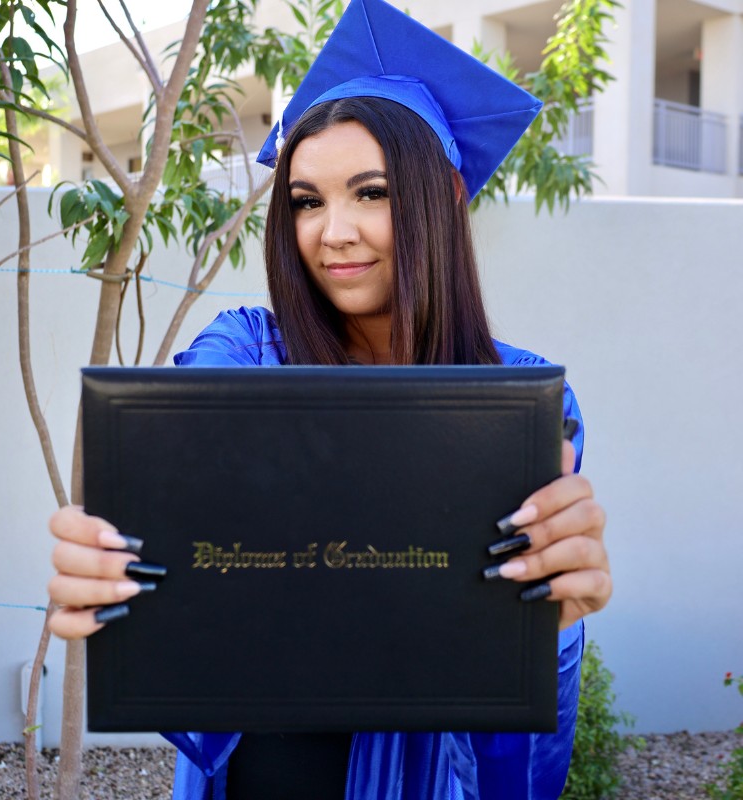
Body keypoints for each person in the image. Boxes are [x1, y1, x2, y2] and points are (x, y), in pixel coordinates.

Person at [47, 0, 611, 797]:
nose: (331, 231)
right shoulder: (246, 348)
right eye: (306, 200)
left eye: (371, 193)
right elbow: (186, 457)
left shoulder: (523, 403)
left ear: (446, 194)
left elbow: (516, 768)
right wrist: (121, 561)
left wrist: (552, 631)